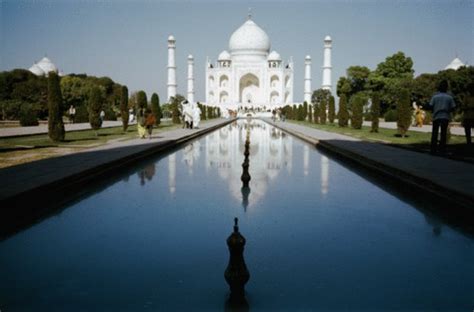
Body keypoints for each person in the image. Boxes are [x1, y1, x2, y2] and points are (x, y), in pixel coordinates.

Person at [428, 80, 456, 155]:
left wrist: (434, 110)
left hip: (436, 116)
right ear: (446, 88)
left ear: (439, 88)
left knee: (434, 133)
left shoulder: (435, 97)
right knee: (443, 134)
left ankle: (433, 149)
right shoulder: (449, 97)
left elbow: (430, 106)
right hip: (445, 116)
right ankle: (442, 149)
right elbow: (453, 107)